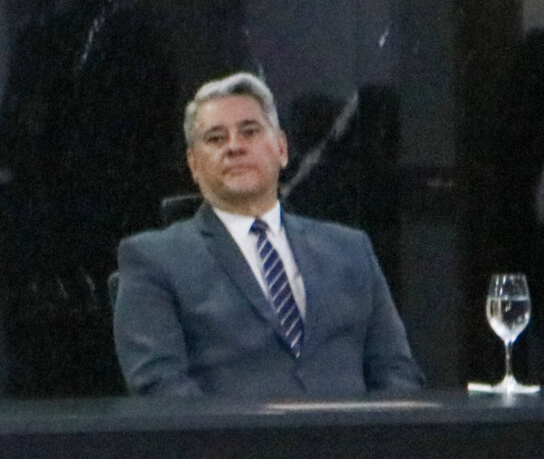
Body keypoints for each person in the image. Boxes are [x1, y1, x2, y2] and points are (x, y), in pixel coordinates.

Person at [113, 71, 422, 397]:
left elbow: (397, 372)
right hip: (229, 431)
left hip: (353, 430)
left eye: (250, 131)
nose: (234, 146)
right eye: (215, 138)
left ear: (282, 149)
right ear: (194, 165)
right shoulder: (152, 259)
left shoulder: (351, 249)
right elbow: (160, 386)